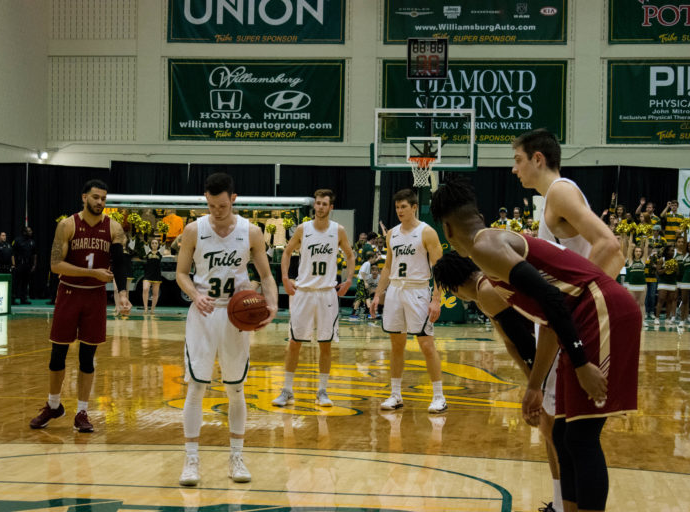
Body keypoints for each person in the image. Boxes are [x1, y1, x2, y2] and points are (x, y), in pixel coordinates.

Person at [431, 177, 640, 512]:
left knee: (582, 439)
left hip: (602, 309)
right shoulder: (491, 248)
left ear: (447, 229)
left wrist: (582, 362)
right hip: (581, 314)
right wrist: (534, 385)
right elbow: (550, 319)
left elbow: (553, 298)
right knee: (563, 436)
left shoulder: (485, 248)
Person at [510, 127, 623, 512]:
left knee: (579, 438)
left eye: (518, 160)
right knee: (562, 434)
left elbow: (611, 245)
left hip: (590, 322)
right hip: (573, 322)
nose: (514, 169)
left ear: (538, 159)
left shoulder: (560, 191)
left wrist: (570, 303)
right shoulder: (550, 204)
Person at [175, 173, 277, 486]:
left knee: (235, 388)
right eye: (210, 205)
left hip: (236, 317)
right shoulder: (194, 230)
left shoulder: (252, 231)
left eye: (221, 205)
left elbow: (267, 276)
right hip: (204, 314)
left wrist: (272, 306)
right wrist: (195, 294)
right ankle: (191, 461)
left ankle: (237, 458)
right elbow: (181, 273)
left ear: (233, 198)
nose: (216, 210)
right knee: (196, 387)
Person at [29, 179, 132, 433]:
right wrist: (93, 272)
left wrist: (122, 295)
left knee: (88, 358)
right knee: (58, 355)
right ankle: (53, 405)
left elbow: (119, 264)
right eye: (96, 197)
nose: (100, 202)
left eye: (104, 199)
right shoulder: (67, 225)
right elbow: (55, 265)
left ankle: (82, 412)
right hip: (69, 293)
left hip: (95, 297)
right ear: (84, 197)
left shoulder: (114, 228)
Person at [272, 189, 355, 408]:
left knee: (325, 344)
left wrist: (348, 280)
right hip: (304, 292)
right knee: (294, 342)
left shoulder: (338, 230)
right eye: (317, 203)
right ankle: (287, 390)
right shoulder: (303, 229)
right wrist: (285, 278)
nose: (319, 207)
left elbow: (349, 254)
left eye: (324, 204)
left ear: (331, 207)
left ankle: (322, 391)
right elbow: (288, 252)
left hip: (327, 293)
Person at [370, 188, 446, 414]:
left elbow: (439, 269)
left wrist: (436, 299)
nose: (400, 211)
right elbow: (386, 267)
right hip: (395, 291)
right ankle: (395, 395)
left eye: (404, 207)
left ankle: (439, 396)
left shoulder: (427, 232)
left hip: (418, 292)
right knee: (396, 345)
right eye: (397, 207)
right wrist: (377, 294)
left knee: (426, 344)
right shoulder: (391, 233)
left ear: (414, 207)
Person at [625, 237, 649, 328]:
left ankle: (642, 320)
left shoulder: (643, 261)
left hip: (642, 285)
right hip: (632, 286)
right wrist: (631, 235)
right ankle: (632, 320)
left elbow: (646, 248)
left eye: (639, 251)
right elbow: (629, 249)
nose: (638, 253)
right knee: (632, 304)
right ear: (633, 253)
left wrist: (645, 237)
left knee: (642, 304)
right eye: (636, 251)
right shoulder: (630, 261)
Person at [654, 244, 680, 325]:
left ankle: (667, 318)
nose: (673, 252)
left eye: (673, 251)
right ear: (667, 251)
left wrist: (675, 269)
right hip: (663, 282)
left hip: (672, 282)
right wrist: (666, 268)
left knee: (670, 301)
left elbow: (677, 273)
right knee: (661, 300)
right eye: (671, 250)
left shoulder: (675, 260)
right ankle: (657, 318)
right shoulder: (662, 259)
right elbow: (658, 272)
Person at [12, 226, 38, 304]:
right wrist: (13, 264)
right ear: (24, 232)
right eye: (29, 231)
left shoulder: (32, 242)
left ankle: (23, 299)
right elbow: (12, 253)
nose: (31, 232)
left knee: (25, 282)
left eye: (31, 231)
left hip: (28, 265)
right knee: (16, 282)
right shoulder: (17, 240)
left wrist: (34, 265)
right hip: (19, 264)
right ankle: (12, 299)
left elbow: (35, 254)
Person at [142, 238, 162, 315]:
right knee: (145, 289)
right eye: (153, 243)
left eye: (156, 243)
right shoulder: (147, 251)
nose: (154, 244)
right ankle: (146, 308)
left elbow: (163, 239)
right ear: (150, 245)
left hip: (156, 275)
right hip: (147, 274)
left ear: (158, 245)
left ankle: (152, 309)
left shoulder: (161, 252)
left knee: (155, 293)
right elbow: (145, 239)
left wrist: (163, 230)